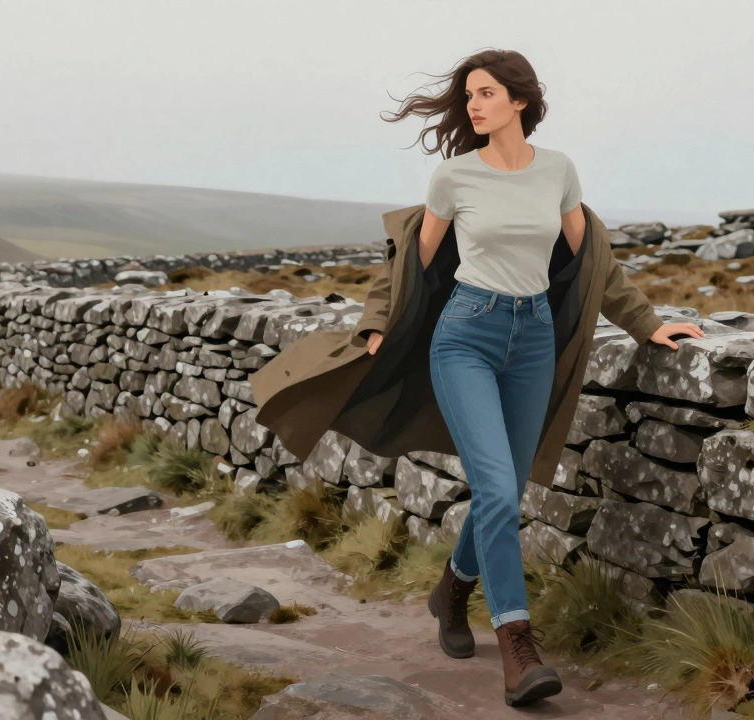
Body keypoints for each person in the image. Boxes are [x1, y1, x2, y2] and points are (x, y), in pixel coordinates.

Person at [249, 48, 703, 709]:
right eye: (468, 97)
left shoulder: (558, 172)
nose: (473, 105)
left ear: (519, 101)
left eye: (486, 93)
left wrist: (647, 326)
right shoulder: (454, 177)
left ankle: (453, 589)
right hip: (465, 337)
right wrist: (377, 321)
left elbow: (596, 264)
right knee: (495, 488)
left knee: (505, 492)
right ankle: (518, 647)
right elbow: (406, 259)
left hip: (534, 344)